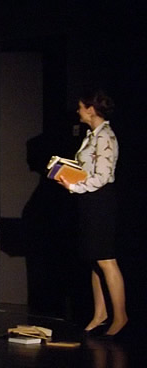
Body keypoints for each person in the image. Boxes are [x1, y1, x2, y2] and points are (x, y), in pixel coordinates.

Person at [58, 89, 128, 337]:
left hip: (101, 201)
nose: (78, 112)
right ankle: (100, 313)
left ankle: (120, 316)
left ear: (90, 109)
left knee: (106, 259)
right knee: (94, 258)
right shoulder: (91, 136)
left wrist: (74, 186)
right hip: (89, 199)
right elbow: (88, 168)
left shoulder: (105, 136)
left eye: (80, 107)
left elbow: (103, 176)